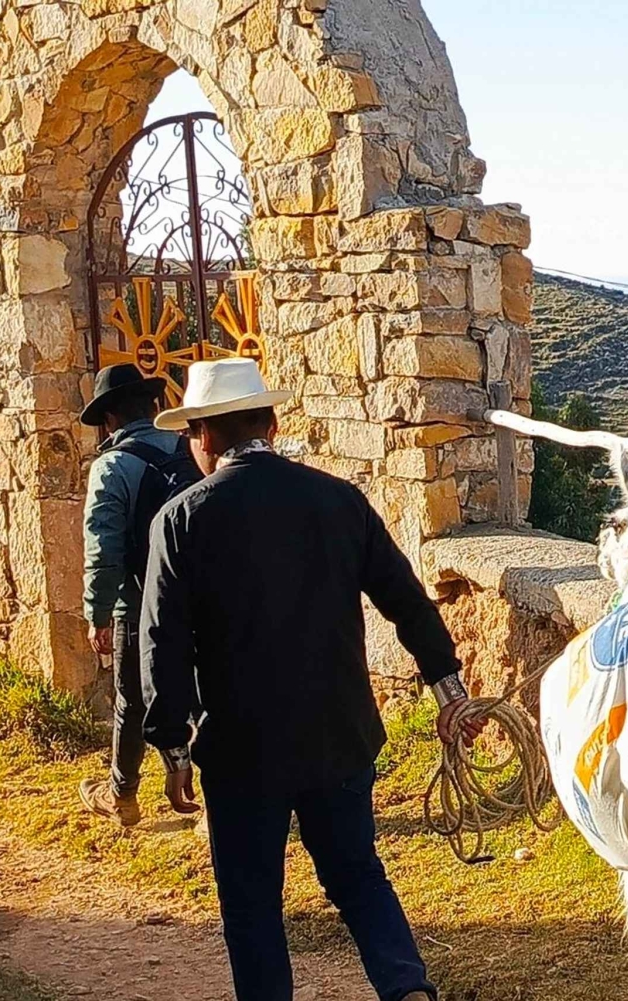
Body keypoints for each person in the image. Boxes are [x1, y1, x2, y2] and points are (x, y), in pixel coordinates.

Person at [140, 358, 481, 1001]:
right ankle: (406, 988)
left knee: (251, 902)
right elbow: (405, 599)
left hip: (242, 748)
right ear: (270, 424)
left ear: (204, 436)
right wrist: (449, 690)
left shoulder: (182, 519)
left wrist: (174, 745)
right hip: (339, 732)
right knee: (357, 876)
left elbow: (163, 641)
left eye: (191, 435)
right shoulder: (338, 499)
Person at [77, 363, 203, 827]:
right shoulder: (192, 449)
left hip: (138, 602)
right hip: (200, 596)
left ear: (109, 419)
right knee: (205, 694)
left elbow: (103, 548)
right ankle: (216, 794)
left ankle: (123, 794)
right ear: (153, 406)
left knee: (131, 699)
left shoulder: (112, 467)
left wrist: (98, 613)